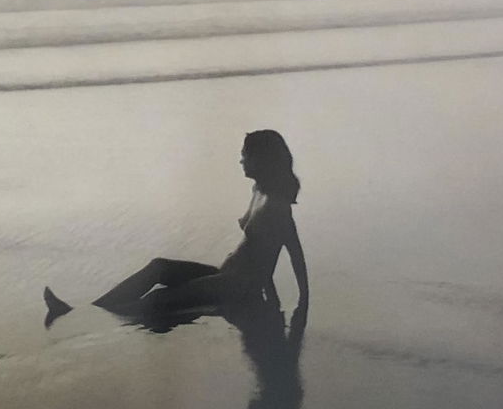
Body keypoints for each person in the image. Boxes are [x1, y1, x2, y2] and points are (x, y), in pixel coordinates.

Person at [43, 130, 309, 323]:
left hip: (236, 286)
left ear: (262, 159)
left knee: (157, 301)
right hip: (227, 274)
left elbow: (291, 254)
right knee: (159, 268)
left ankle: (82, 317)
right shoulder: (258, 190)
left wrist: (300, 304)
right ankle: (89, 310)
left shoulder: (278, 207)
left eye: (245, 155)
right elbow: (263, 252)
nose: (241, 160)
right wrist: (269, 296)